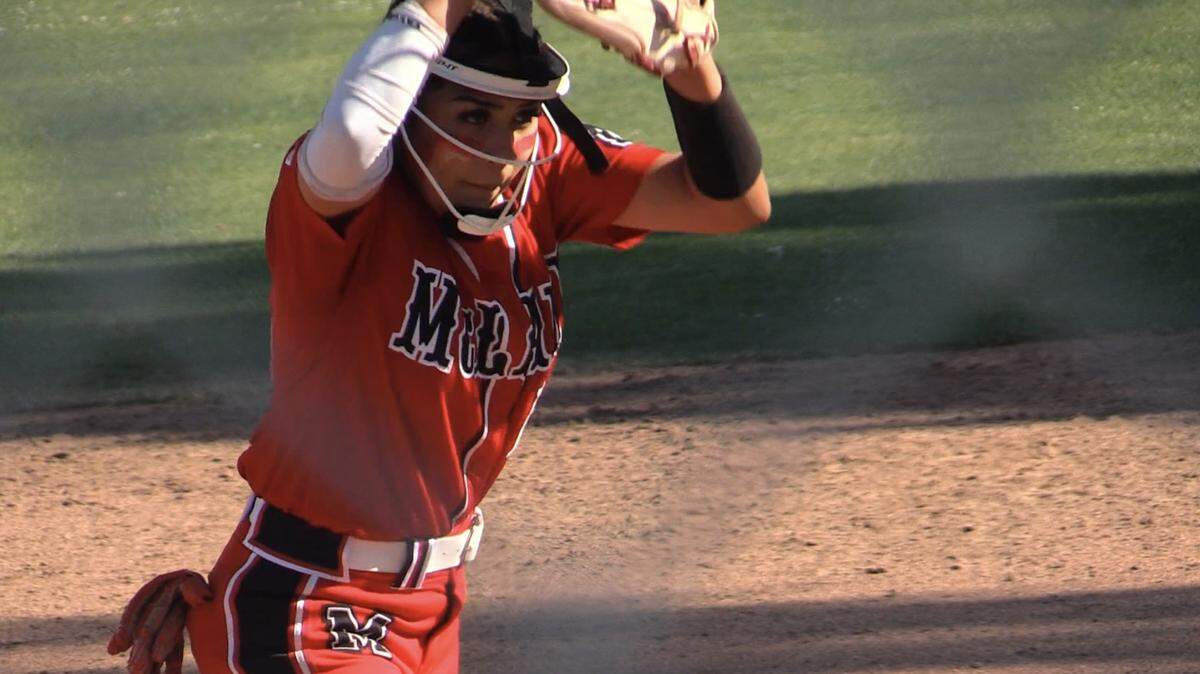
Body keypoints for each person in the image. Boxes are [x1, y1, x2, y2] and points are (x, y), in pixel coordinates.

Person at [107, 0, 768, 672]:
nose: (500, 151)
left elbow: (734, 202)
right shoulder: (348, 202)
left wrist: (690, 71)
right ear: (412, 111)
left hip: (434, 604)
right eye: (471, 117)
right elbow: (354, 134)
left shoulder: (546, 170)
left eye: (520, 117)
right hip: (305, 598)